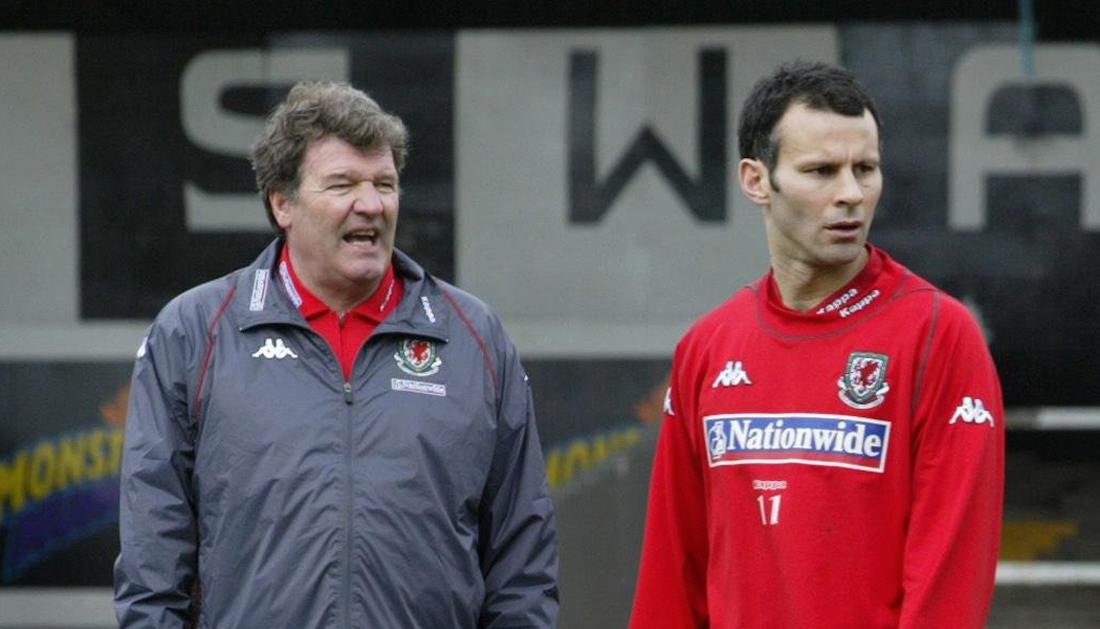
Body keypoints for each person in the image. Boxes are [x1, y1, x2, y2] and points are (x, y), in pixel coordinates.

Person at [114, 81, 559, 628]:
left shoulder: (474, 338)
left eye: (384, 184)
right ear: (283, 203)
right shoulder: (194, 332)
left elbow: (523, 562)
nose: (370, 205)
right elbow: (152, 562)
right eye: (343, 184)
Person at [629, 61, 1004, 628]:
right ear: (757, 180)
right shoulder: (707, 347)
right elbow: (672, 575)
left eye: (866, 169)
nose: (851, 194)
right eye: (822, 170)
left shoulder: (938, 335)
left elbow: (950, 582)